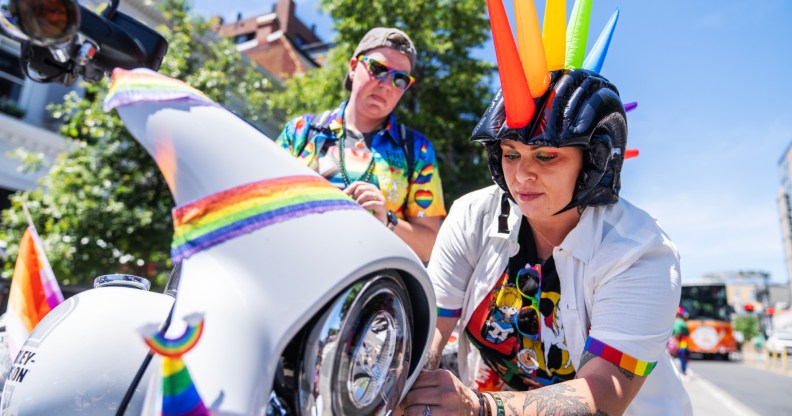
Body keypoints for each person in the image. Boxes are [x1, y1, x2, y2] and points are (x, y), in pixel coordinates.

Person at [398, 2, 692, 415]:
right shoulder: (471, 216)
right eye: (511, 153)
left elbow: (601, 398)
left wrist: (480, 408)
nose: (522, 177)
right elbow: (431, 330)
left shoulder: (641, 252)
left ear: (593, 163)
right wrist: (401, 383)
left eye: (547, 156)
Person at [275, 28, 445, 262]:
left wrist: (388, 220)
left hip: (367, 288)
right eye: (378, 69)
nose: (387, 84)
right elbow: (261, 199)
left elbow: (429, 246)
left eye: (400, 79)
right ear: (353, 67)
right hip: (290, 261)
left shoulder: (417, 150)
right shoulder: (301, 131)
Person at [672, 307, 691, 376]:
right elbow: (687, 333)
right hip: (682, 342)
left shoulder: (672, 321)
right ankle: (683, 371)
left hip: (670, 342)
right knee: (682, 356)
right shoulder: (682, 323)